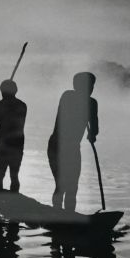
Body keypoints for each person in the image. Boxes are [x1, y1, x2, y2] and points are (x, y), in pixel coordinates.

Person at [48, 72, 99, 211]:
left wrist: (92, 134)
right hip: (57, 146)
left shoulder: (92, 103)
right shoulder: (68, 96)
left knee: (73, 186)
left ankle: (70, 214)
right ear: (76, 86)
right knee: (61, 184)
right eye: (89, 85)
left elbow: (95, 128)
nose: (91, 89)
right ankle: (57, 212)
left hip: (73, 148)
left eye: (92, 86)